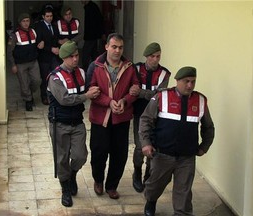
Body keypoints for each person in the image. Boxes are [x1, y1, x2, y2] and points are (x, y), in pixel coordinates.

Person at [139, 66, 215, 216]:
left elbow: (208, 127)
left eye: (193, 82)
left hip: (186, 157)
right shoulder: (162, 97)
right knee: (155, 185)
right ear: (177, 81)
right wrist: (146, 143)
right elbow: (145, 120)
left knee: (184, 193)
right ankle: (151, 201)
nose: (190, 85)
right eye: (186, 81)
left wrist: (204, 146)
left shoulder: (200, 100)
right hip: (162, 155)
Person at [47, 41, 100, 207]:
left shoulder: (82, 73)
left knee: (80, 156)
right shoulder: (55, 77)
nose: (75, 59)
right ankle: (65, 189)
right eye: (72, 56)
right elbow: (64, 99)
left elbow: (91, 87)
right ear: (64, 57)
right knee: (61, 158)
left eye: (77, 55)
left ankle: (72, 175)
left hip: (77, 122)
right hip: (59, 123)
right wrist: (86, 96)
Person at [87, 33, 140, 199]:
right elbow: (90, 91)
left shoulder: (130, 67)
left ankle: (112, 185)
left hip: (121, 119)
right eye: (114, 47)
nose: (117, 50)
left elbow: (135, 89)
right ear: (106, 47)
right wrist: (109, 102)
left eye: (120, 47)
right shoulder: (95, 66)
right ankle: (98, 180)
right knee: (98, 152)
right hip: (100, 118)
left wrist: (125, 100)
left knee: (119, 154)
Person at [130, 42, 171, 193]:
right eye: (152, 56)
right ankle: (137, 171)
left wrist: (141, 92)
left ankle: (148, 174)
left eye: (158, 56)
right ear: (146, 57)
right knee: (140, 146)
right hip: (139, 113)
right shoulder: (136, 68)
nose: (155, 59)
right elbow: (131, 89)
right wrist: (145, 93)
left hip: (156, 115)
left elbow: (160, 96)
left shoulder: (164, 74)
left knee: (152, 145)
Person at [7, 13, 41, 111]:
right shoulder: (14, 35)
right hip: (20, 64)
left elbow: (37, 44)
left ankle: (29, 94)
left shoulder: (33, 31)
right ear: (20, 22)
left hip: (33, 62)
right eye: (23, 21)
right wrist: (13, 65)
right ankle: (28, 100)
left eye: (27, 21)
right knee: (24, 84)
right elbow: (9, 51)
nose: (26, 23)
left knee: (37, 81)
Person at [35, 6, 60, 105]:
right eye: (47, 16)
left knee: (56, 76)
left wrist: (57, 48)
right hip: (44, 57)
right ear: (43, 16)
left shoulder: (54, 26)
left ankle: (55, 95)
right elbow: (39, 44)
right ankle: (44, 96)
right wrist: (50, 48)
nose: (49, 18)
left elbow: (56, 39)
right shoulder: (39, 27)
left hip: (54, 56)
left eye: (51, 16)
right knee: (44, 77)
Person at [81, 0, 105, 72]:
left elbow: (99, 21)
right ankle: (97, 70)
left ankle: (86, 70)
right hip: (92, 35)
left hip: (91, 36)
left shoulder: (92, 7)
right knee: (93, 53)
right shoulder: (89, 7)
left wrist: (102, 33)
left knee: (85, 54)